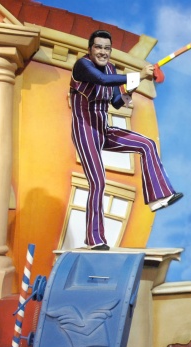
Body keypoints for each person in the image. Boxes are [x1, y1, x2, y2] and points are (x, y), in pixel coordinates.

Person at [70, 30, 182, 251]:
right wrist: (138, 75)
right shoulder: (82, 66)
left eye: (107, 48)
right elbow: (101, 80)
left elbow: (116, 102)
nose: (103, 52)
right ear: (90, 49)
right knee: (98, 182)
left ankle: (158, 197)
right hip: (85, 131)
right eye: (98, 47)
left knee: (147, 144)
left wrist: (128, 91)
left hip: (102, 129)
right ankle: (94, 239)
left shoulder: (111, 69)